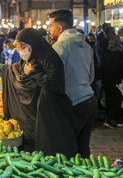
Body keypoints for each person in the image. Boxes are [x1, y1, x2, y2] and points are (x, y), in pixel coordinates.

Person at [0, 28, 78, 157]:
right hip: (27, 116)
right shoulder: (26, 60)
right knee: (28, 149)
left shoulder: (51, 60)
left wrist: (32, 73)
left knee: (46, 151)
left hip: (47, 115)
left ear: (33, 45)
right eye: (18, 47)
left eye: (22, 47)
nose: (20, 51)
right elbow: (10, 70)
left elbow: (51, 83)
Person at [48, 10, 96, 158]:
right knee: (83, 147)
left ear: (59, 28)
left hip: (72, 103)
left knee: (67, 147)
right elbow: (91, 76)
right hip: (89, 100)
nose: (49, 29)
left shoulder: (59, 46)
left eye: (50, 25)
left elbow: (52, 79)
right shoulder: (86, 46)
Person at [101, 36, 123, 129]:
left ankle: (117, 119)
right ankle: (110, 120)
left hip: (107, 81)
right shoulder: (120, 55)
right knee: (117, 101)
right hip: (117, 81)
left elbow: (102, 68)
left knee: (109, 100)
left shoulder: (105, 54)